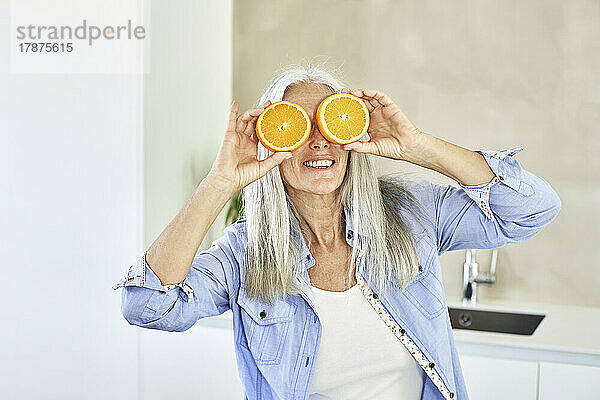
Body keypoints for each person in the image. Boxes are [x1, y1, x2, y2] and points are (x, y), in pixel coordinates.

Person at [113, 65, 561, 400]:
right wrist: (219, 183)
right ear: (274, 142)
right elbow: (146, 305)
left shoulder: (409, 216)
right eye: (296, 127)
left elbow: (533, 208)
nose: (319, 141)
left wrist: (417, 145)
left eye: (330, 123)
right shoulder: (245, 253)